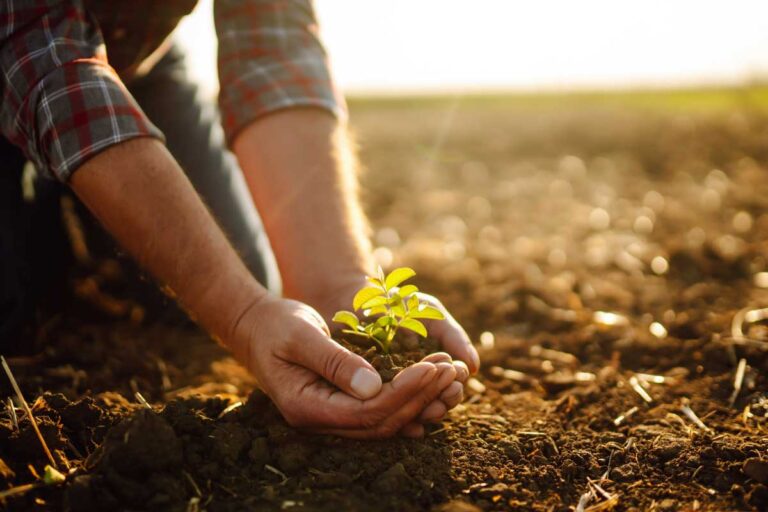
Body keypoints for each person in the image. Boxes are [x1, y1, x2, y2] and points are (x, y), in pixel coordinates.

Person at [0, 0, 480, 439]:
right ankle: (48, 207)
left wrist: (334, 280)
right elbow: (44, 57)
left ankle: (65, 198)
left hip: (133, 62)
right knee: (12, 307)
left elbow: (273, 49)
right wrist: (241, 314)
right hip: (27, 49)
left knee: (245, 273)